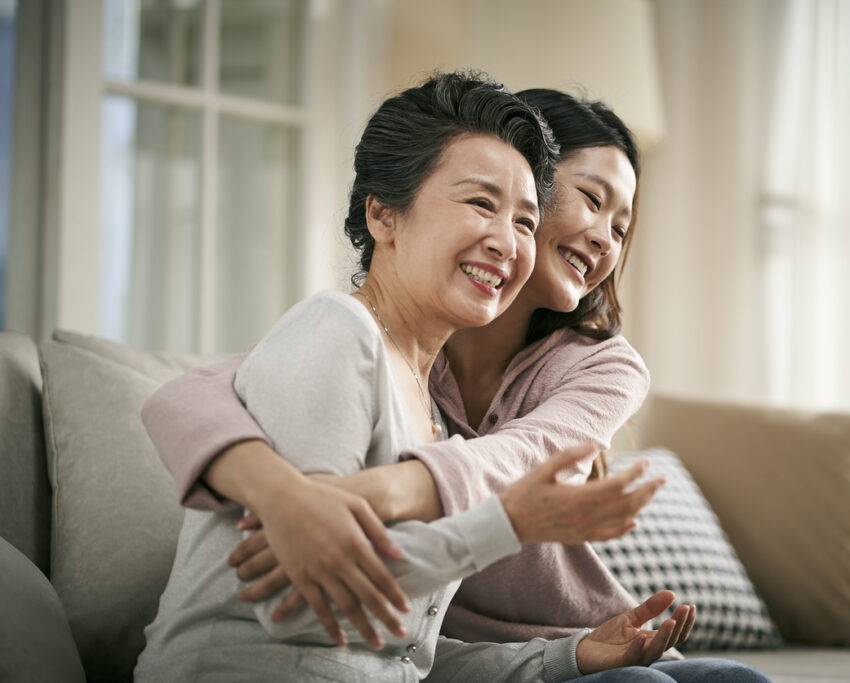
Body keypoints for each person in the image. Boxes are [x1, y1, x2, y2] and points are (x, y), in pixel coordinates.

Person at [142, 85, 771, 683]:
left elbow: (519, 468)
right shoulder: (349, 334)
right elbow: (189, 394)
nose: (606, 236)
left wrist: (370, 496)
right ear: (385, 214)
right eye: (482, 203)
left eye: (622, 227)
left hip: (546, 638)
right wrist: (287, 496)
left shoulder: (589, 366)